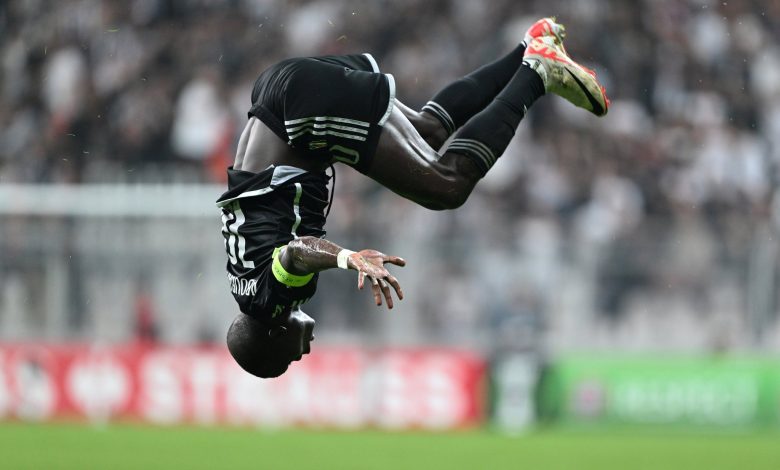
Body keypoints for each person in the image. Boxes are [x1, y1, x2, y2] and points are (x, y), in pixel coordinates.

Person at [217, 17, 608, 378]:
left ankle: (538, 72)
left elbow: (295, 252)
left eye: (291, 357)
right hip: (282, 93)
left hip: (299, 118)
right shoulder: (243, 284)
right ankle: (529, 47)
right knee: (426, 132)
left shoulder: (269, 303)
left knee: (446, 186)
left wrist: (348, 258)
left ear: (274, 336)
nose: (304, 351)